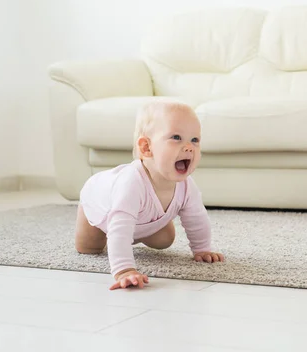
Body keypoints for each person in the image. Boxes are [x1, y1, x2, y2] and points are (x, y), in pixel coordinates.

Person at [75, 99, 224, 290]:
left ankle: (138, 231)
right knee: (89, 248)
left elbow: (197, 217)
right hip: (99, 204)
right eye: (176, 137)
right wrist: (124, 270)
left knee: (165, 240)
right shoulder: (131, 183)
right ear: (146, 148)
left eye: (195, 140)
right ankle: (116, 234)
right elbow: (119, 229)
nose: (189, 147)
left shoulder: (187, 186)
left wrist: (202, 249)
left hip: (137, 219)